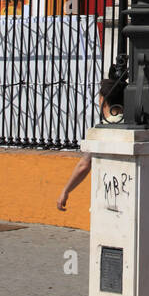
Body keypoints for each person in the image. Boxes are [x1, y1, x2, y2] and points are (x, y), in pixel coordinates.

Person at [56, 76, 124, 211]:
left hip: (107, 197)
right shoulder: (133, 127)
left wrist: (66, 190)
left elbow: (84, 164)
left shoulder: (100, 131)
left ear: (102, 100)